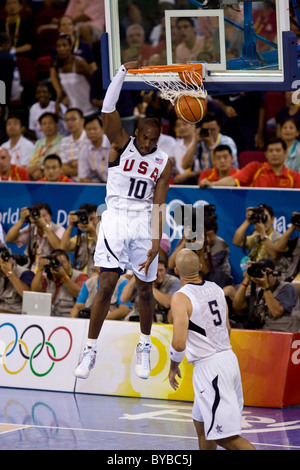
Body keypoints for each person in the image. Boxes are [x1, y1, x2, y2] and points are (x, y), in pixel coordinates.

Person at [74, 60, 172, 381]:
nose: (147, 143)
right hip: (115, 217)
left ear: (158, 138)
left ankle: (144, 346)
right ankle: (90, 348)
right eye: (144, 137)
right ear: (138, 132)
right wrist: (121, 74)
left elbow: (159, 204)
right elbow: (107, 107)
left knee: (145, 290)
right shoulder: (121, 143)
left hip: (143, 221)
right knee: (106, 285)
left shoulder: (163, 161)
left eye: (153, 139)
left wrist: (157, 242)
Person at [168, 248, 255, 450]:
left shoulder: (181, 297)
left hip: (210, 369)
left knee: (225, 438)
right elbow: (227, 327)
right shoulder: (216, 288)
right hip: (228, 359)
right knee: (202, 425)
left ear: (175, 270)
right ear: (199, 267)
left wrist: (173, 367)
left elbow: (179, 343)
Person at [201, 138, 300, 188]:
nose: (274, 154)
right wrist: (212, 184)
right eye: (271, 151)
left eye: (278, 150)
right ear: (265, 154)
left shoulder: (295, 177)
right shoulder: (254, 168)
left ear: (285, 153)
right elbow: (233, 180)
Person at [232, 258, 300, 332]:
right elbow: (237, 305)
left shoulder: (287, 288)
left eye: (266, 272)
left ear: (274, 273)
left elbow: (276, 312)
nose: (264, 275)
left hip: (286, 335)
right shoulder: (259, 292)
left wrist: (265, 287)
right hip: (265, 335)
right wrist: (247, 278)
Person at [6, 202, 65, 271]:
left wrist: (44, 226)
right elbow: (9, 239)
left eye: (44, 215)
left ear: (50, 216)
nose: (42, 218)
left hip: (50, 270)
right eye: (39, 216)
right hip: (31, 269)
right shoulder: (32, 228)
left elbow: (59, 248)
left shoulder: (59, 230)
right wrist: (21, 220)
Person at [121, 256, 181, 324]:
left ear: (166, 270)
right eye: (155, 271)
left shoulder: (173, 281)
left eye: (161, 270)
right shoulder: (142, 278)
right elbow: (124, 298)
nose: (158, 274)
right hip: (136, 318)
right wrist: (137, 275)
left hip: (160, 322)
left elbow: (168, 303)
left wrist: (148, 287)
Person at [50, 14, 97, 99]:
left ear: (74, 27)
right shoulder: (56, 49)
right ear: (59, 29)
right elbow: (53, 74)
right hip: (65, 87)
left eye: (69, 24)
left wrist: (94, 90)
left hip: (84, 85)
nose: (67, 27)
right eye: (63, 25)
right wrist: (60, 93)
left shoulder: (84, 45)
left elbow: (93, 68)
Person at [31, 249, 89, 317]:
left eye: (63, 263)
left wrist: (64, 277)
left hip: (69, 319)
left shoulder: (80, 276)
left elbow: (81, 295)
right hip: (48, 318)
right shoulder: (48, 277)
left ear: (69, 263)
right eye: (56, 263)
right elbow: (34, 292)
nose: (60, 266)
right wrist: (40, 269)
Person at [52, 33, 98, 118]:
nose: (61, 48)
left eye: (64, 45)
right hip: (74, 112)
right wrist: (58, 102)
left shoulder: (80, 63)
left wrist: (97, 101)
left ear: (70, 46)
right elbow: (65, 88)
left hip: (90, 111)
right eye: (58, 46)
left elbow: (94, 83)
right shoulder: (58, 65)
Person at [60, 203, 99, 276]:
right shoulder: (80, 238)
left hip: (96, 278)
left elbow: (106, 251)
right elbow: (63, 248)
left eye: (92, 219)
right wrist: (71, 225)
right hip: (79, 277)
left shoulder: (106, 237)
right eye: (86, 219)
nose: (89, 222)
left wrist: (93, 232)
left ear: (99, 218)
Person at [27, 112, 63, 180]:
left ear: (56, 125)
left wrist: (41, 169)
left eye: (50, 123)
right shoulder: (38, 143)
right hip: (36, 176)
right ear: (41, 127)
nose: (47, 126)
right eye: (44, 124)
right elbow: (31, 163)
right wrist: (36, 170)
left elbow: (60, 165)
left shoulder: (63, 141)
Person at [0, 244, 34, 314]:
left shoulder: (25, 274)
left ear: (9, 259)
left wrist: (10, 273)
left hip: (17, 318)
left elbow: (30, 298)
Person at [78, 115, 110, 183]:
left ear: (102, 129)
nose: (92, 132)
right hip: (100, 185)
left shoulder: (112, 144)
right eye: (88, 129)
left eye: (95, 129)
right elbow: (83, 177)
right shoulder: (84, 148)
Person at [59, 107, 87, 178]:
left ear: (82, 121)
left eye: (73, 119)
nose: (70, 122)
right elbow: (63, 168)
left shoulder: (90, 138)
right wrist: (81, 166)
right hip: (71, 181)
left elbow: (93, 167)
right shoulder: (64, 141)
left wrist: (72, 164)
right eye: (67, 120)